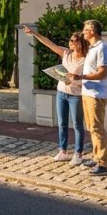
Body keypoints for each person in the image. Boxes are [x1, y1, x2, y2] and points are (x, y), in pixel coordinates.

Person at [25, 27, 88, 164]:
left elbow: (89, 79)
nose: (70, 43)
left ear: (81, 43)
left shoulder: (86, 60)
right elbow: (49, 44)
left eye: (74, 41)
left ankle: (78, 154)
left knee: (77, 125)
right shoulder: (66, 53)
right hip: (61, 93)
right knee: (62, 123)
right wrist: (35, 33)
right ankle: (63, 151)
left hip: (76, 95)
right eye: (70, 40)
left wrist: (76, 81)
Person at [69, 19, 107, 176]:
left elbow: (103, 72)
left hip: (96, 95)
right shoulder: (92, 48)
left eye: (85, 29)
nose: (83, 32)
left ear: (93, 31)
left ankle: (103, 164)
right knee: (91, 128)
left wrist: (82, 76)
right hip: (87, 93)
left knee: (97, 129)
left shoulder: (102, 48)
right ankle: (95, 157)